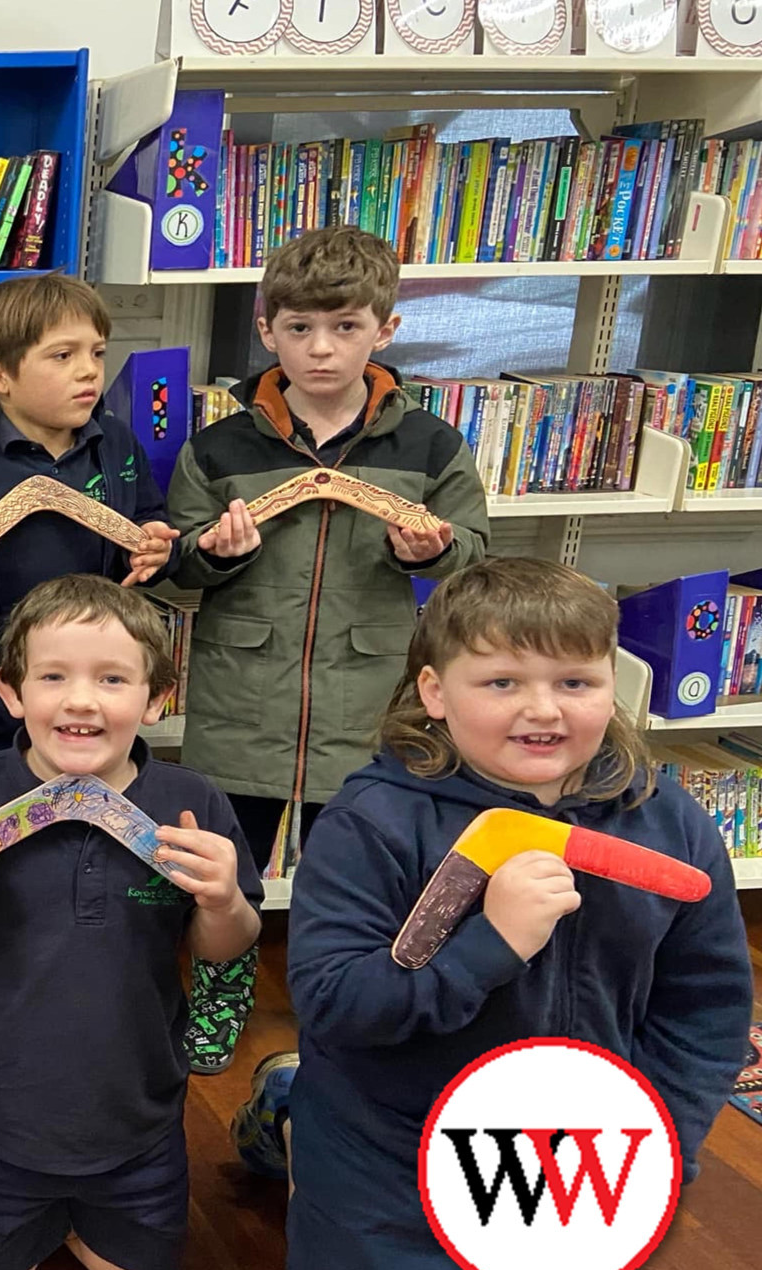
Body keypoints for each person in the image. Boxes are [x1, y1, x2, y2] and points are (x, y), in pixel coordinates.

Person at [233, 558, 751, 1270]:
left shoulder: (668, 820)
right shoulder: (372, 822)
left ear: (612, 683)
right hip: (391, 1143)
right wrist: (491, 944)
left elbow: (705, 1005)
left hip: (575, 1147)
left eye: (575, 682)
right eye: (502, 681)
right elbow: (339, 1004)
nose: (542, 709)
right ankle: (298, 1117)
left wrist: (662, 1138)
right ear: (436, 693)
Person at [0, 574, 260, 1270]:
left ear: (155, 698)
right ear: (12, 691)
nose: (81, 699)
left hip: (134, 1107)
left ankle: (73, 1206)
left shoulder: (193, 803)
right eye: (54, 676)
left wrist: (222, 898)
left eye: (112, 678)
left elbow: (223, 945)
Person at [166, 223, 490, 1075]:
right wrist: (213, 552)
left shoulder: (429, 446)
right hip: (242, 701)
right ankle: (220, 995)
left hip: (369, 701)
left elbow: (476, 553)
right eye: (300, 327)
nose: (320, 348)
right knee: (221, 873)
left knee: (360, 879)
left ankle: (344, 1012)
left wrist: (429, 551)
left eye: (345, 327)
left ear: (384, 329)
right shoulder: (219, 446)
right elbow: (172, 573)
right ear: (266, 327)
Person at [0, 273, 180, 1070]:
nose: (90, 370)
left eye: (97, 353)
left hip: (82, 693)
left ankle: (65, 971)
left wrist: (154, 542)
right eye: (64, 355)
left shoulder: (113, 444)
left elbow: (148, 523)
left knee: (76, 832)